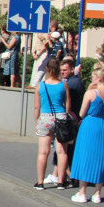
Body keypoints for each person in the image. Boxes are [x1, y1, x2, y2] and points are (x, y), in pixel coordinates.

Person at [69, 64, 104, 203]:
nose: (91, 79)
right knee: (102, 158)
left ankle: (82, 192)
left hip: (89, 125)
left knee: (84, 156)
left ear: (99, 79)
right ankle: (97, 193)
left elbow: (81, 113)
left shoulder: (91, 93)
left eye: (93, 77)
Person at [33, 59, 71, 190]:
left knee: (43, 152)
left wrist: (36, 121)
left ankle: (40, 182)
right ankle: (61, 181)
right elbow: (68, 105)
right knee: (61, 152)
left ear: (48, 70)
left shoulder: (41, 86)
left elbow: (37, 107)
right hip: (60, 117)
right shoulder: (63, 85)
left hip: (45, 118)